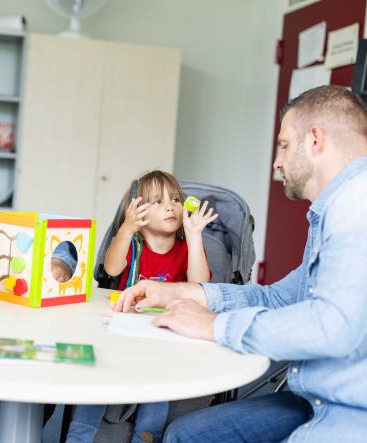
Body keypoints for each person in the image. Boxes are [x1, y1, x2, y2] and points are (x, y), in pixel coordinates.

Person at [115, 85, 367, 442]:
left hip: (349, 411)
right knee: (184, 434)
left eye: (284, 145)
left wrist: (215, 325)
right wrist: (177, 293)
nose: (277, 162)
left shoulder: (357, 206)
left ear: (315, 139)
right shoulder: (331, 210)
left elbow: (332, 328)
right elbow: (283, 297)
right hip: (313, 396)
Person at [67, 170, 218, 443]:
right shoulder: (133, 244)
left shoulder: (186, 248)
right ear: (137, 210)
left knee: (156, 385)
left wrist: (195, 236)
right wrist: (126, 229)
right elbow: (112, 268)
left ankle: (146, 436)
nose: (170, 206)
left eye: (175, 199)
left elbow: (201, 284)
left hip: (164, 334)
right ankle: (79, 435)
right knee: (98, 373)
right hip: (123, 330)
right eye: (157, 202)